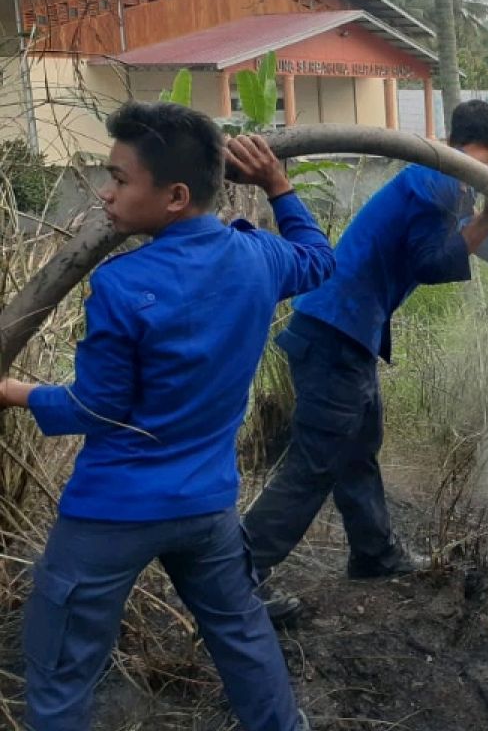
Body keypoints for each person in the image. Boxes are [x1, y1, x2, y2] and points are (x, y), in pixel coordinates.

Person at [0, 101, 334, 730]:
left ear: (176, 195)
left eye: (121, 180)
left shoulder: (123, 284)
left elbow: (97, 408)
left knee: (61, 668)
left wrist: (15, 392)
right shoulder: (259, 257)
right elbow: (318, 259)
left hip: (112, 512)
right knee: (243, 639)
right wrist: (279, 187)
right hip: (205, 509)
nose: (106, 194)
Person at [243, 99, 488, 621]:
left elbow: (485, 249)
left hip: (343, 333)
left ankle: (374, 554)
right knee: (314, 464)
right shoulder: (440, 178)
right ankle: (236, 575)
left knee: (358, 447)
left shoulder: (446, 180)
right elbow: (432, 263)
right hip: (335, 332)